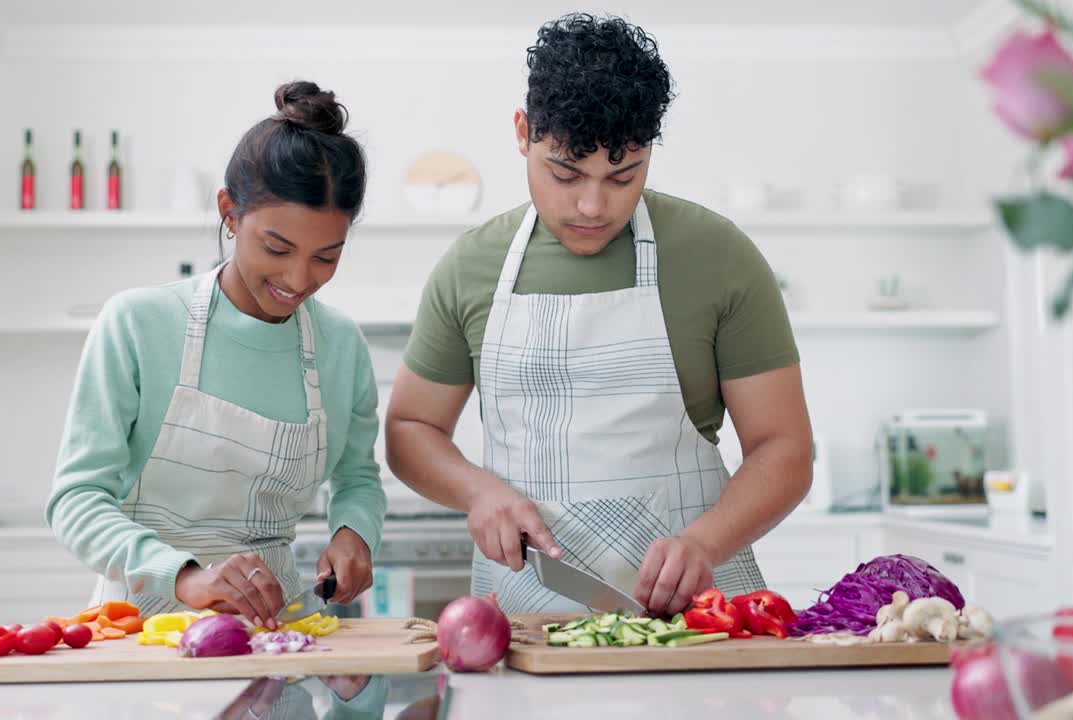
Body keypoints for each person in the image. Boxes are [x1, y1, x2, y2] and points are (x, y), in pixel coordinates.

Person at [385, 14, 813, 618]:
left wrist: (704, 542)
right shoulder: (470, 266)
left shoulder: (720, 257)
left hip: (698, 614)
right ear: (523, 133)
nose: (592, 205)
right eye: (565, 173)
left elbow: (785, 449)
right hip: (523, 613)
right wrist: (478, 492)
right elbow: (409, 429)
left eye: (623, 175)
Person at [46, 81, 386, 629]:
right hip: (140, 624)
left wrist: (353, 533)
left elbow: (357, 476)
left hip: (280, 627)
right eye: (277, 248)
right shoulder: (137, 323)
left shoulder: (341, 344)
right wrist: (185, 576)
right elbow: (77, 499)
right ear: (229, 212)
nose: (299, 280)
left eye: (327, 257)